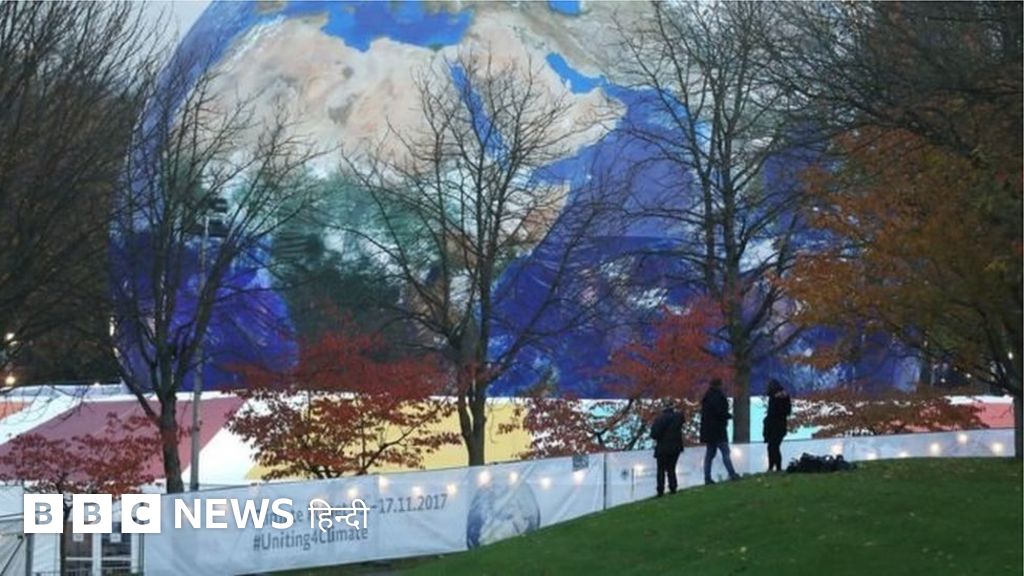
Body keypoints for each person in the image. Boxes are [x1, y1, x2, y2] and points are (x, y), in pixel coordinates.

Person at [700, 378, 740, 484]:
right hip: (718, 430)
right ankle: (732, 473)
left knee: (709, 455)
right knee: (725, 452)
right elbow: (720, 413)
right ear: (719, 385)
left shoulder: (706, 397)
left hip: (708, 431)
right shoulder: (719, 397)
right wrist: (729, 416)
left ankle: (707, 477)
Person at [650, 399, 685, 497]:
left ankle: (660, 490)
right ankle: (673, 487)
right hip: (676, 447)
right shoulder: (678, 417)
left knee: (661, 469)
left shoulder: (659, 419)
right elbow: (682, 420)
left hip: (663, 447)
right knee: (671, 468)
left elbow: (654, 434)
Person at [763, 378, 792, 472]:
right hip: (781, 426)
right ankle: (776, 467)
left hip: (774, 427)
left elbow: (772, 413)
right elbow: (787, 411)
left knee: (772, 447)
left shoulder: (774, 399)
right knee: (774, 447)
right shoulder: (785, 398)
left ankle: (773, 467)